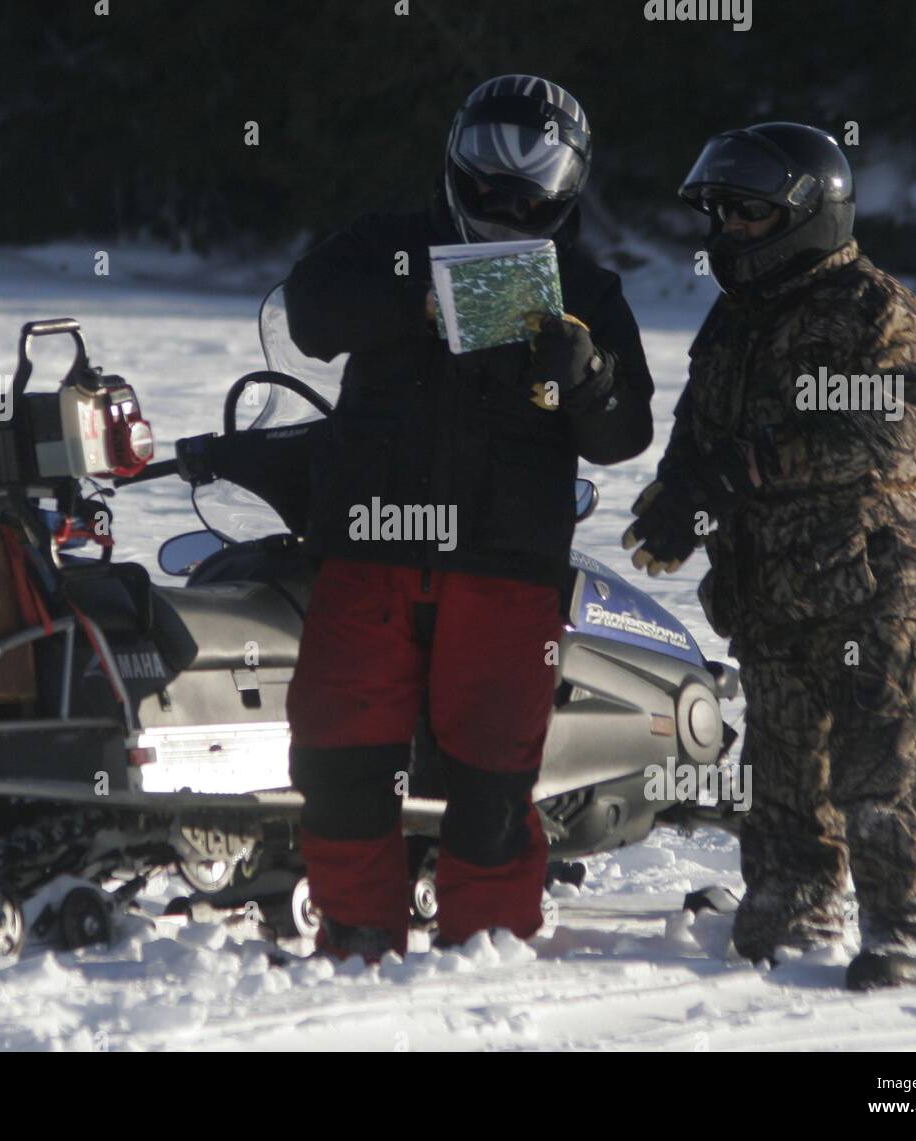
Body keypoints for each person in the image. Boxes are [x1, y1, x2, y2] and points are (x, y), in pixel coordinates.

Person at [282, 74, 654, 960]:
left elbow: (624, 432)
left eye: (531, 176)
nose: (503, 192)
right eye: (488, 167)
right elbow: (307, 313)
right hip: (372, 543)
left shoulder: (587, 291)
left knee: (493, 775)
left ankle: (487, 949)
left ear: (568, 185)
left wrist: (587, 372)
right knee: (338, 752)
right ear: (455, 156)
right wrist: (413, 304)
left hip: (505, 565)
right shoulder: (388, 243)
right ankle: (355, 933)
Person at [623, 122, 916, 989]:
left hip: (869, 571)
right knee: (779, 753)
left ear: (809, 213)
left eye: (749, 213)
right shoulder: (735, 317)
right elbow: (699, 433)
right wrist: (676, 503)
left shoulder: (874, 309)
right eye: (722, 213)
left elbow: (873, 432)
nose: (730, 229)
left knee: (873, 746)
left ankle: (902, 919)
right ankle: (794, 901)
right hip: (767, 578)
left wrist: (735, 473)